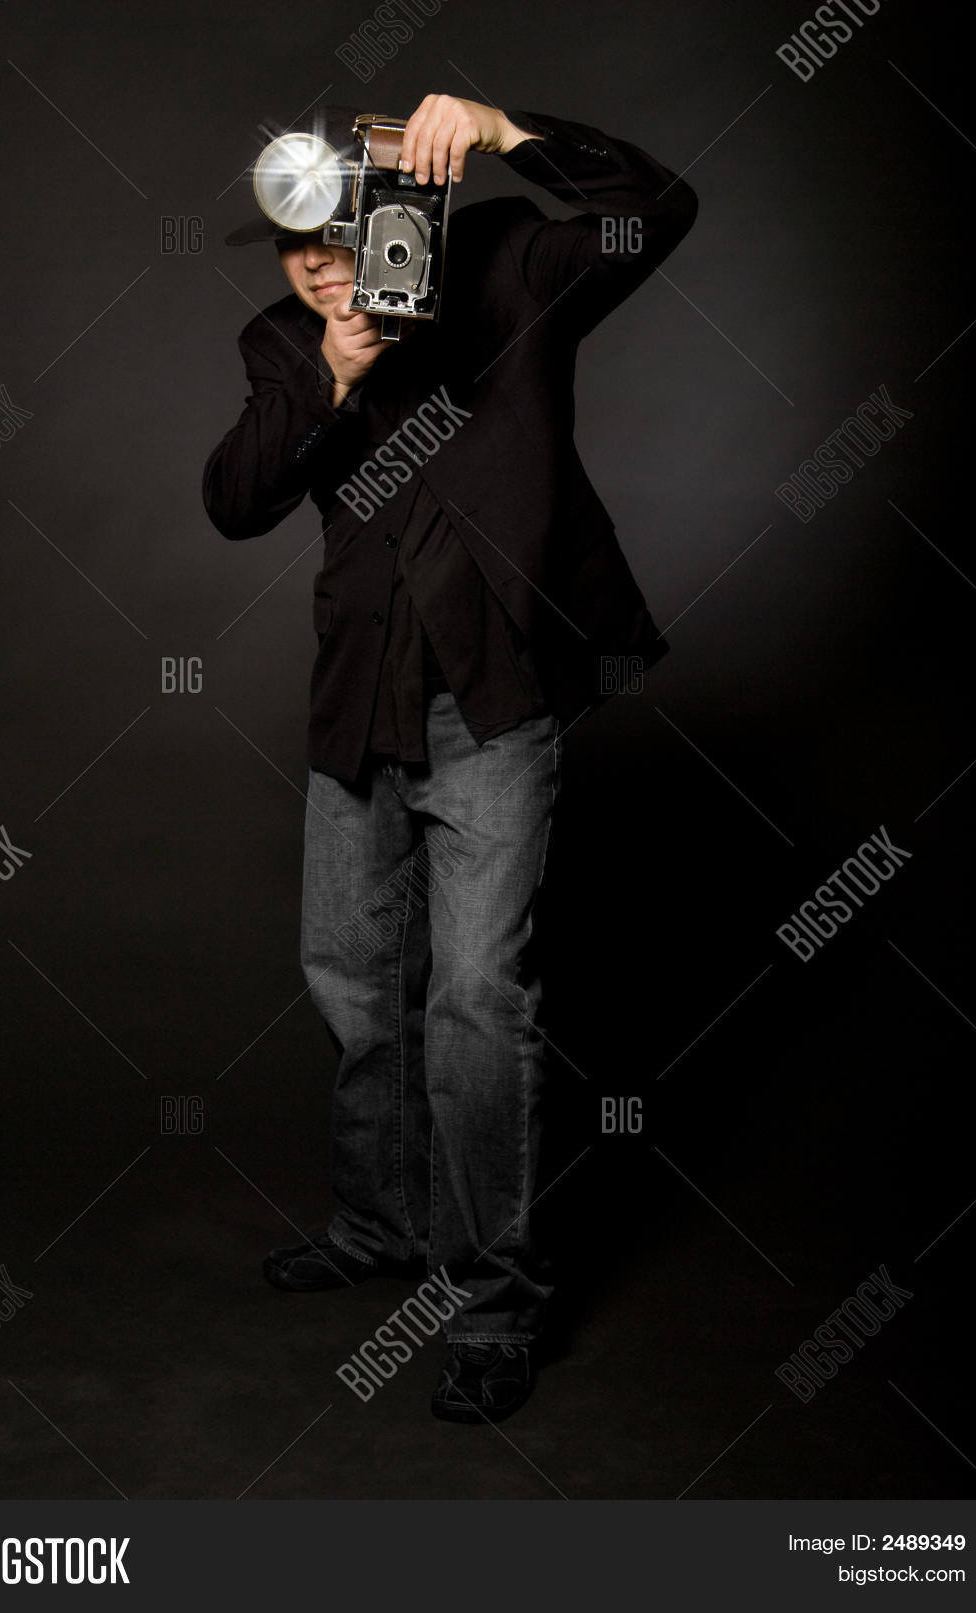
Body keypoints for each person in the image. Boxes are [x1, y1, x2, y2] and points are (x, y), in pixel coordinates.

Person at [203, 93, 697, 1423]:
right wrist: (332, 372)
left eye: (344, 231)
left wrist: (501, 127)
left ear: (399, 211)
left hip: (491, 701)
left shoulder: (508, 266)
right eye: (295, 243)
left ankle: (492, 1304)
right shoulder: (284, 343)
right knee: (354, 982)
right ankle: (379, 1224)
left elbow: (657, 211)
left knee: (477, 1002)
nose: (322, 263)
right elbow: (235, 500)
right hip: (356, 702)